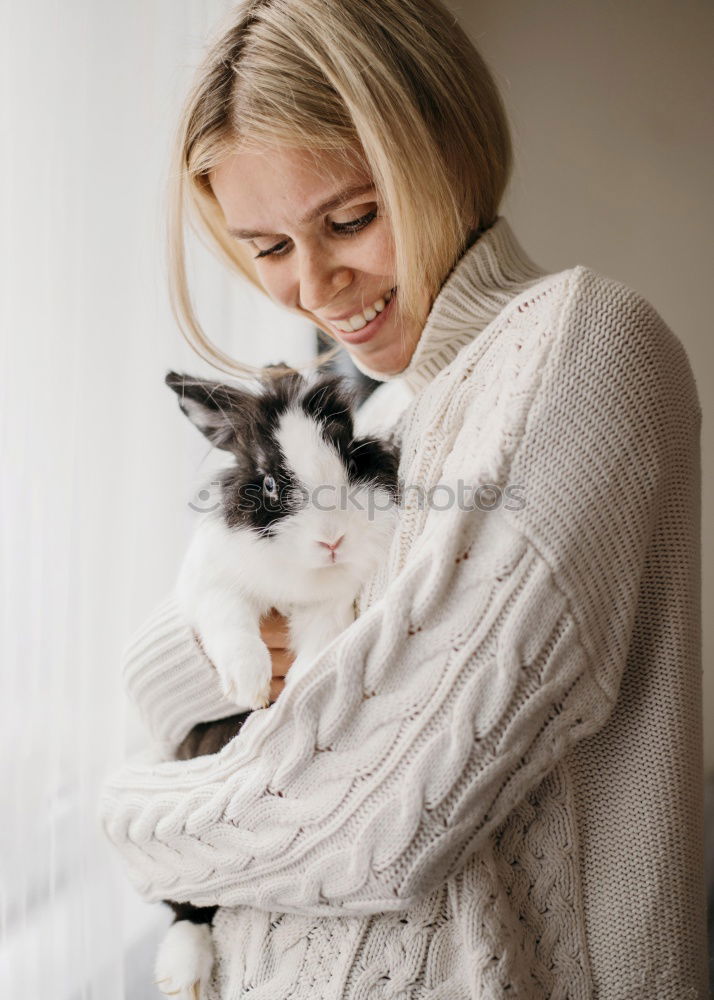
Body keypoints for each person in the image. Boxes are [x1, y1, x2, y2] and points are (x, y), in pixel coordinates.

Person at [98, 0, 707, 997]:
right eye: (267, 246)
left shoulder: (581, 347)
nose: (315, 284)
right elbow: (166, 671)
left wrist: (127, 812)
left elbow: (377, 818)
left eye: (351, 218)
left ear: (446, 147)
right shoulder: (375, 426)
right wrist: (207, 646)